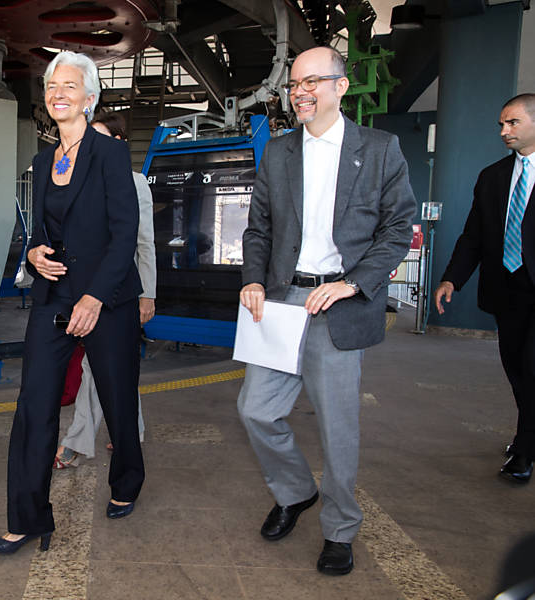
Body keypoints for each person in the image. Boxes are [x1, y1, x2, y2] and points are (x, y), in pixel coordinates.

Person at [237, 46, 415, 575]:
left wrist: (352, 284)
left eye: (312, 81)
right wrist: (253, 279)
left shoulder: (379, 149)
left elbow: (396, 230)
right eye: (294, 84)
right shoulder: (278, 152)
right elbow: (258, 229)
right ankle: (295, 492)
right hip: (282, 302)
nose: (301, 92)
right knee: (255, 409)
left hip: (338, 305)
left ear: (341, 85)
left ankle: (340, 529)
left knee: (338, 428)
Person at [0, 51, 144, 554]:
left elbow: (125, 235)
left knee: (117, 400)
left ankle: (127, 479)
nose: (58, 94)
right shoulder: (42, 160)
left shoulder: (110, 154)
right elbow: (44, 232)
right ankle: (28, 518)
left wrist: (95, 297)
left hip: (106, 299)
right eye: (52, 85)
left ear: (89, 97)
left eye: (70, 86)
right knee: (34, 404)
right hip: (54, 297)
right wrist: (34, 254)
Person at [434, 93, 535, 484]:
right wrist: (451, 278)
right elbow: (473, 236)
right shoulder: (492, 177)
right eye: (501, 124)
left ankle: (524, 450)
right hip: (507, 289)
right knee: (516, 368)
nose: (504, 131)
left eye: (513, 122)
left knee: (531, 367)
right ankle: (528, 436)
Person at [54, 112, 155, 468]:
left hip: (121, 294)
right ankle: (130, 431)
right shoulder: (75, 182)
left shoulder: (134, 182)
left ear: (119, 143)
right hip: (84, 293)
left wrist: (147, 294)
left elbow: (144, 242)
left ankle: (77, 441)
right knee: (114, 368)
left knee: (104, 368)